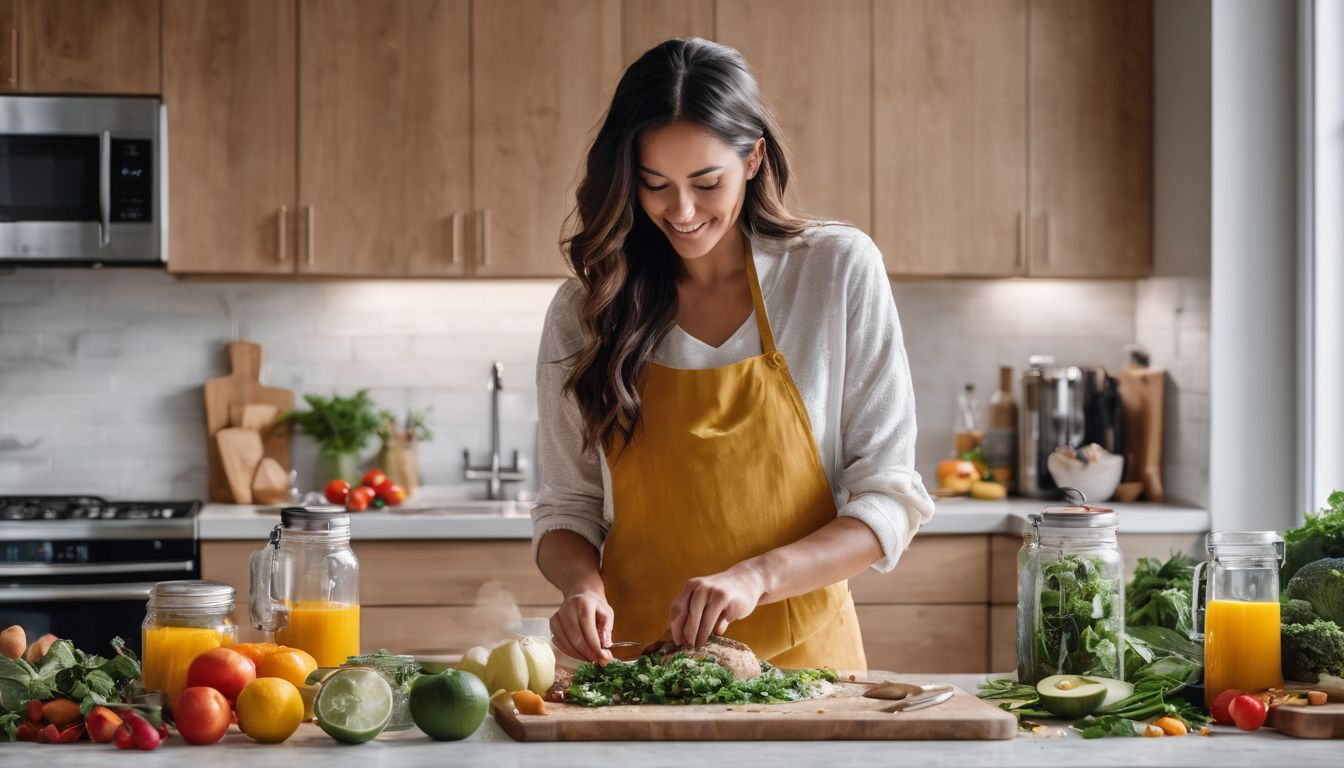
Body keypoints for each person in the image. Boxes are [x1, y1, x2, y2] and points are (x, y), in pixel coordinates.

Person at [531, 37, 934, 671]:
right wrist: (580, 585)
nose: (682, 211)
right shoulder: (585, 310)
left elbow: (887, 498)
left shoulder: (834, 272)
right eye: (654, 184)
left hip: (809, 668)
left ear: (753, 160)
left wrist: (757, 577)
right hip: (634, 669)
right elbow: (567, 508)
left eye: (706, 181)